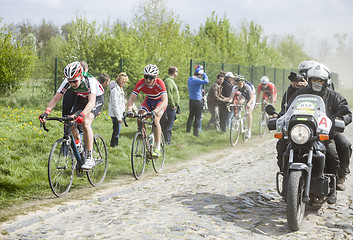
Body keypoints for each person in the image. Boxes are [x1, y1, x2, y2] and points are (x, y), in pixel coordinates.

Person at [287, 63, 352, 193]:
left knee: (339, 150)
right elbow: (288, 109)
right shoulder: (300, 94)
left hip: (327, 133)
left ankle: (336, 181)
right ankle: (286, 178)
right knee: (283, 146)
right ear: (309, 80)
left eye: (320, 80)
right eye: (314, 80)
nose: (317, 83)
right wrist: (282, 118)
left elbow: (347, 113)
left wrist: (340, 120)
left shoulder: (334, 96)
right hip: (303, 132)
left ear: (326, 82)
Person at [39, 61, 105, 170]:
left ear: (80, 75)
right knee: (69, 120)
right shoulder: (67, 81)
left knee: (85, 122)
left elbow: (92, 102)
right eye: (70, 82)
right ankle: (79, 147)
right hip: (81, 98)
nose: (72, 84)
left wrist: (83, 114)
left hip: (95, 99)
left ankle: (89, 157)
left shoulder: (90, 80)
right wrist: (46, 112)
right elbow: (56, 98)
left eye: (74, 81)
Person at [126, 64, 168, 157]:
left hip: (159, 103)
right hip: (148, 101)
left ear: (156, 77)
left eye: (151, 77)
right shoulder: (141, 83)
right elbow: (131, 99)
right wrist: (129, 110)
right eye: (146, 77)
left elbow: (165, 101)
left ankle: (157, 148)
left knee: (156, 119)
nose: (148, 80)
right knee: (140, 115)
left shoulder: (160, 83)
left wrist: (155, 111)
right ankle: (144, 137)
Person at [186, 66, 209, 136]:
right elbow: (206, 81)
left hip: (191, 100)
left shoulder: (190, 79)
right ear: (200, 74)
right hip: (198, 101)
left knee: (191, 116)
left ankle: (188, 130)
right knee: (198, 117)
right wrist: (204, 73)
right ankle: (196, 133)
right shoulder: (197, 80)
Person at [161, 66, 180, 145]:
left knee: (168, 124)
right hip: (169, 106)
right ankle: (167, 142)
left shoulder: (170, 80)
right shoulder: (168, 81)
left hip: (171, 106)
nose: (177, 73)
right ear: (174, 72)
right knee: (168, 125)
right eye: (177, 72)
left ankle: (166, 141)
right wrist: (172, 104)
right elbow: (168, 94)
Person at [109, 73, 128, 147]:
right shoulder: (115, 91)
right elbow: (115, 105)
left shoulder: (120, 89)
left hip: (120, 112)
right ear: (120, 81)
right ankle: (114, 145)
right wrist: (118, 117)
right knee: (117, 130)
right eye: (124, 82)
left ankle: (113, 144)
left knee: (116, 130)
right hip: (115, 114)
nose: (125, 84)